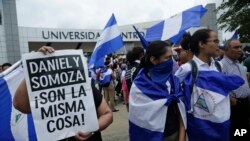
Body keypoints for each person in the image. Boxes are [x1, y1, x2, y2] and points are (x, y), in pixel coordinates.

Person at [13, 46, 113, 141]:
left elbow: (107, 114)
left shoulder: (85, 88)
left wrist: (92, 128)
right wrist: (33, 69)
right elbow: (19, 105)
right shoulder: (42, 94)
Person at [175, 29, 244, 141]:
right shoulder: (187, 69)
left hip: (221, 125)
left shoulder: (218, 66)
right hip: (200, 128)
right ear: (201, 44)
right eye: (215, 41)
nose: (219, 45)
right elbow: (177, 98)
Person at [129, 41, 185, 141]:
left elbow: (180, 111)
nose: (171, 61)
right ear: (154, 60)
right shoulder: (139, 86)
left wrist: (181, 136)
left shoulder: (173, 80)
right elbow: (138, 119)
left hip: (174, 134)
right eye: (167, 58)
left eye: (172, 57)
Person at [220, 39, 250, 140]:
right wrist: (230, 98)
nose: (240, 49)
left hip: (245, 103)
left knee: (243, 130)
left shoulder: (239, 64)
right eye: (236, 47)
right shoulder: (222, 65)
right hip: (234, 106)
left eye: (240, 47)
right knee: (235, 132)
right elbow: (219, 87)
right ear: (226, 50)